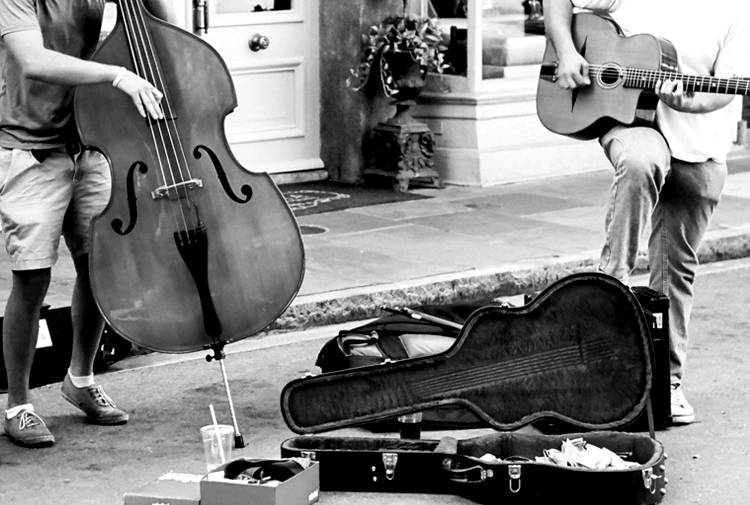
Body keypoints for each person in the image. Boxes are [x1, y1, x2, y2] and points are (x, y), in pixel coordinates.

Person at [543, 0, 750, 425]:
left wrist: (687, 102)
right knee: (641, 160)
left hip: (700, 148)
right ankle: (611, 284)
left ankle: (666, 382)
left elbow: (726, 87)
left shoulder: (736, 10)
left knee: (676, 270)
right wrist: (566, 51)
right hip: (633, 124)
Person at [0, 0, 176, 447]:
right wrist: (117, 75)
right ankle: (18, 405)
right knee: (32, 277)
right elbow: (33, 61)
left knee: (99, 268)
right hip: (31, 148)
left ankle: (80, 379)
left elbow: (164, 33)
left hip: (92, 142)